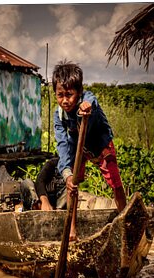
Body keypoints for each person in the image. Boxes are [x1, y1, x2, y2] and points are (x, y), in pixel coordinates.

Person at [52, 60, 126, 240]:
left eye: (69, 95)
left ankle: (125, 219)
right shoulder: (59, 115)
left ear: (78, 93)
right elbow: (62, 146)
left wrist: (86, 110)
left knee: (115, 184)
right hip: (78, 150)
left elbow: (90, 102)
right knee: (72, 186)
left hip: (100, 146)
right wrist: (67, 174)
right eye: (60, 95)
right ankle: (72, 230)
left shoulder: (88, 100)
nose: (65, 100)